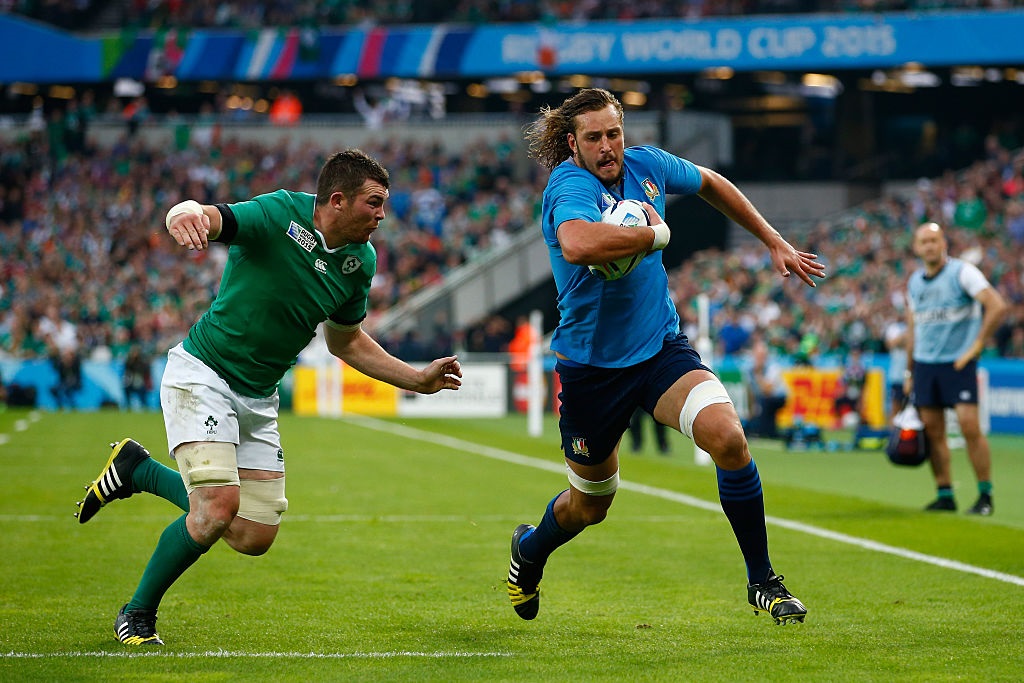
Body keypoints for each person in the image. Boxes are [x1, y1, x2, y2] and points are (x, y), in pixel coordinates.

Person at [74, 149, 463, 646]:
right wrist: (183, 212)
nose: (382, 215)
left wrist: (416, 379)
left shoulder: (359, 262)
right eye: (374, 203)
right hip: (203, 375)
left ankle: (138, 470)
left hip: (258, 398)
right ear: (337, 200)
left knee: (253, 535)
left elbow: (345, 340)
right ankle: (137, 613)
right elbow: (216, 218)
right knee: (215, 508)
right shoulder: (280, 213)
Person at [506, 88, 824, 626]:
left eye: (614, 133)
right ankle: (530, 550)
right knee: (590, 506)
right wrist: (652, 234)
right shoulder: (569, 185)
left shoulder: (646, 165)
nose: (608, 147)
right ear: (572, 144)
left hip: (658, 350)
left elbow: (711, 183)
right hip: (591, 371)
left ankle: (763, 581)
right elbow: (579, 245)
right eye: (594, 138)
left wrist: (771, 239)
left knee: (729, 438)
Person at [904, 222, 1007, 515]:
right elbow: (914, 329)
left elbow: (997, 306)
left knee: (970, 428)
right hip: (925, 364)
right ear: (916, 247)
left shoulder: (962, 273)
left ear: (944, 243)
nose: (929, 246)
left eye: (934, 240)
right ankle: (945, 493)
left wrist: (975, 347)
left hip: (957, 364)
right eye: (924, 241)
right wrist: (910, 371)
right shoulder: (914, 282)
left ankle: (985, 495)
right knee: (934, 432)